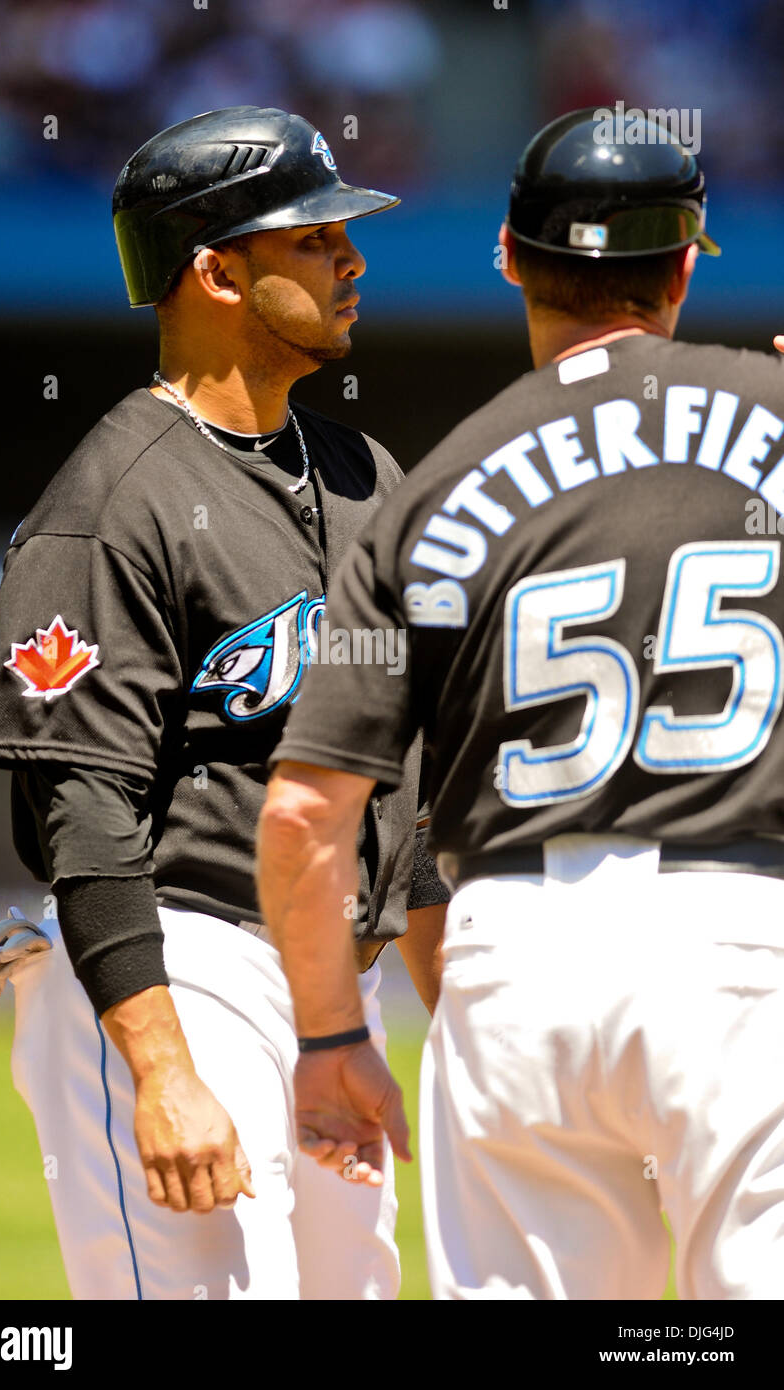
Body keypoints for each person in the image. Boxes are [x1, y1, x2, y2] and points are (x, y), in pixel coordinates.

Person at [257, 106, 784, 1300]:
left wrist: (335, 1036)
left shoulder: (430, 484)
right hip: (742, 940)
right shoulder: (770, 407)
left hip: (514, 956)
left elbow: (301, 813)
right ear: (689, 260)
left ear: (505, 252)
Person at [0, 105, 447, 1301]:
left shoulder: (358, 471)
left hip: (332, 986)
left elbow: (406, 778)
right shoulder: (107, 500)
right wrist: (163, 1070)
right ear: (216, 271)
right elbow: (82, 805)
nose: (352, 261)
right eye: (314, 239)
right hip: (185, 963)